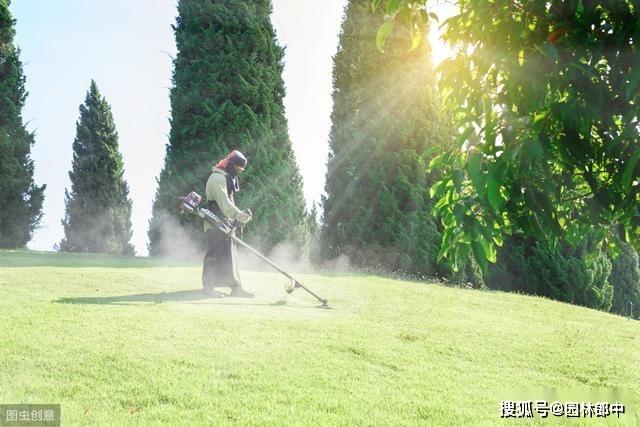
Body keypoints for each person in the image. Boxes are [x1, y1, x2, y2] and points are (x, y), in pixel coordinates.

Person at [202, 149, 253, 298]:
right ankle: (208, 288)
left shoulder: (226, 177)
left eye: (241, 170)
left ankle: (236, 289)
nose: (238, 172)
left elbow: (228, 204)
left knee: (231, 257)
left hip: (226, 223)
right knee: (214, 255)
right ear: (230, 165)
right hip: (214, 223)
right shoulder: (217, 178)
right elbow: (225, 204)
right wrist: (239, 214)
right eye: (237, 168)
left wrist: (236, 218)